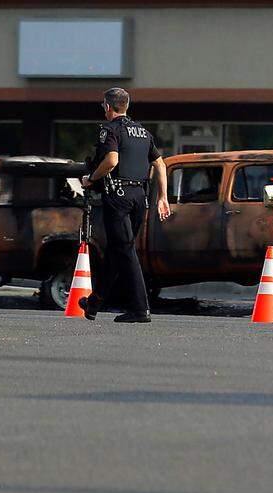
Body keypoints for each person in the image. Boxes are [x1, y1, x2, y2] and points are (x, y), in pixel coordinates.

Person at [79, 88, 171, 323]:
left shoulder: (110, 130)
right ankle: (93, 304)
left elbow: (111, 161)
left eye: (103, 106)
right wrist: (163, 197)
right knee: (117, 250)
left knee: (126, 250)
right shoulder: (142, 131)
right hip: (140, 197)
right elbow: (160, 165)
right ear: (126, 106)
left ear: (108, 107)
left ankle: (141, 310)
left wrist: (91, 179)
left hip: (118, 196)